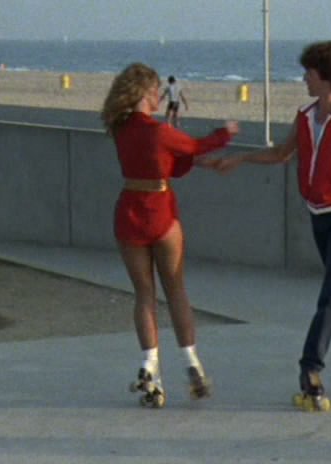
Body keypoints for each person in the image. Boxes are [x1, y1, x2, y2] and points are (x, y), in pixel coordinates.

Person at [217, 41, 331, 411]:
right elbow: (281, 153)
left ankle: (311, 368)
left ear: (324, 76)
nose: (304, 78)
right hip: (319, 217)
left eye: (309, 72)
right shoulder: (305, 116)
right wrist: (241, 158)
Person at [101, 63, 239, 408]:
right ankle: (191, 361)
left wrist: (197, 162)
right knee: (175, 290)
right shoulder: (159, 131)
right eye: (157, 91)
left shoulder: (120, 129)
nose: (161, 97)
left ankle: (150, 367)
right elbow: (193, 146)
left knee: (144, 295)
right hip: (160, 211)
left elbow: (169, 163)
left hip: (130, 211)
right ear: (147, 93)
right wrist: (225, 133)